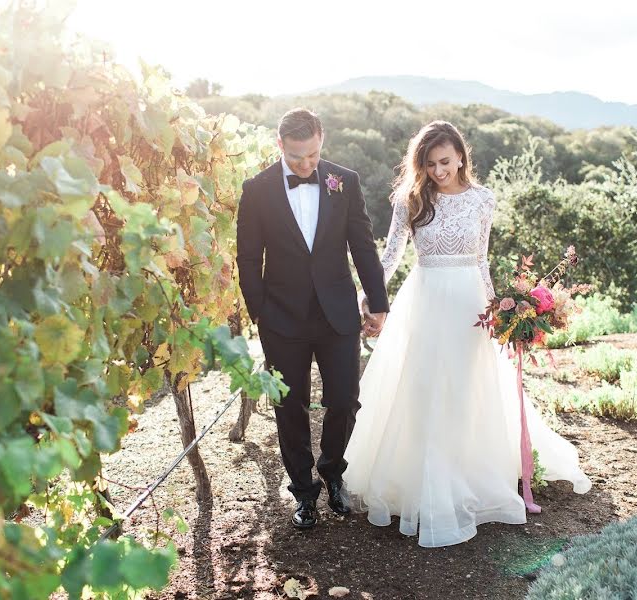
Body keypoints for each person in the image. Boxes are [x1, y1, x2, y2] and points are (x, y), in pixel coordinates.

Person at [343, 121, 592, 548]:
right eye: (429, 163)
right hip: (424, 300)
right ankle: (423, 482)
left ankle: (467, 475)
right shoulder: (412, 199)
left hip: (470, 306)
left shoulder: (483, 199)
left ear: (461, 156)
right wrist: (370, 296)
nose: (438, 170)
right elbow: (391, 255)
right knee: (423, 389)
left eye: (445, 161)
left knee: (465, 389)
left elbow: (481, 260)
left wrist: (504, 315)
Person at [236, 108, 389, 529]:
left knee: (344, 400)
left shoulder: (346, 181)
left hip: (337, 313)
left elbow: (362, 246)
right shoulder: (257, 189)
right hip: (281, 319)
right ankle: (303, 491)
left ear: (322, 139)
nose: (307, 165)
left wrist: (377, 301)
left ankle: (334, 474)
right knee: (290, 405)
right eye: (298, 157)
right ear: (279, 144)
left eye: (314, 155)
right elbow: (248, 259)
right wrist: (260, 314)